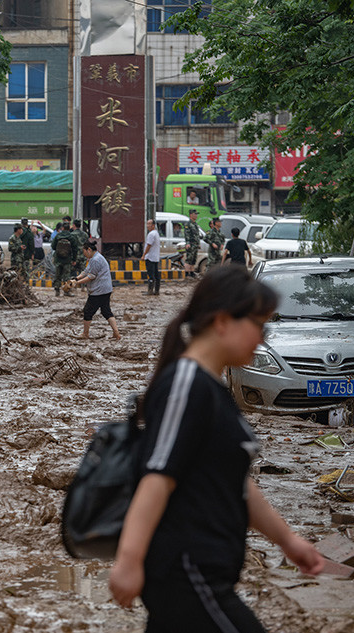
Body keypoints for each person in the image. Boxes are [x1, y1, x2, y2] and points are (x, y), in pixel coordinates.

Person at [109, 265, 324, 631]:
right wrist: (128, 560)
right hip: (187, 571)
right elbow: (157, 477)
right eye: (259, 325)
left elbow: (236, 482)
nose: (262, 338)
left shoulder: (212, 389)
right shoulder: (185, 384)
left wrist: (289, 542)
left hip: (205, 572)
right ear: (223, 321)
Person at [71, 241, 121, 339]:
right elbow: (86, 271)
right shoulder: (94, 258)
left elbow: (91, 276)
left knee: (88, 311)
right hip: (106, 289)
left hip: (99, 290)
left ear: (89, 250)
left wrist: (77, 283)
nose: (83, 254)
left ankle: (85, 334)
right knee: (106, 311)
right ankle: (116, 333)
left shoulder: (96, 260)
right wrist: (76, 278)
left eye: (84, 251)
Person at [52, 224, 79, 297]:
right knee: (66, 276)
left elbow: (53, 246)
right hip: (67, 259)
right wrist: (74, 259)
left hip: (58, 259)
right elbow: (75, 249)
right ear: (69, 228)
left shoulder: (58, 236)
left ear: (62, 228)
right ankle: (67, 291)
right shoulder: (71, 237)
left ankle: (57, 291)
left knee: (57, 275)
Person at [143, 219, 161, 295]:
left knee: (151, 275)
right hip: (155, 257)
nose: (147, 226)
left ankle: (150, 291)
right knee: (156, 275)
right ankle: (156, 291)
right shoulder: (156, 233)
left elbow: (148, 245)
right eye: (147, 224)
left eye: (149, 224)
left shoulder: (151, 234)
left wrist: (144, 255)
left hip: (150, 257)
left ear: (153, 225)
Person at [184, 209, 201, 278]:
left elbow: (197, 235)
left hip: (195, 244)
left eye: (196, 214)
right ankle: (186, 273)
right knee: (189, 258)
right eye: (195, 214)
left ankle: (191, 272)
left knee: (194, 258)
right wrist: (187, 243)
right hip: (190, 244)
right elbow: (187, 234)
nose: (196, 215)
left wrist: (198, 243)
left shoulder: (195, 224)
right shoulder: (188, 224)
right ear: (191, 215)